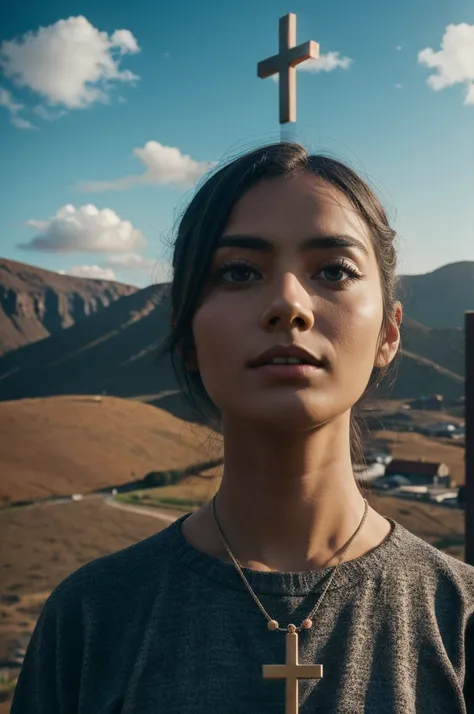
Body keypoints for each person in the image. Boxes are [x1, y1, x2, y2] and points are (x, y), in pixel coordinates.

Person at [11, 142, 474, 713]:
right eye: (238, 271)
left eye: (334, 270)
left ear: (390, 331)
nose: (287, 304)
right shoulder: (89, 618)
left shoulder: (461, 619)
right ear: (185, 333)